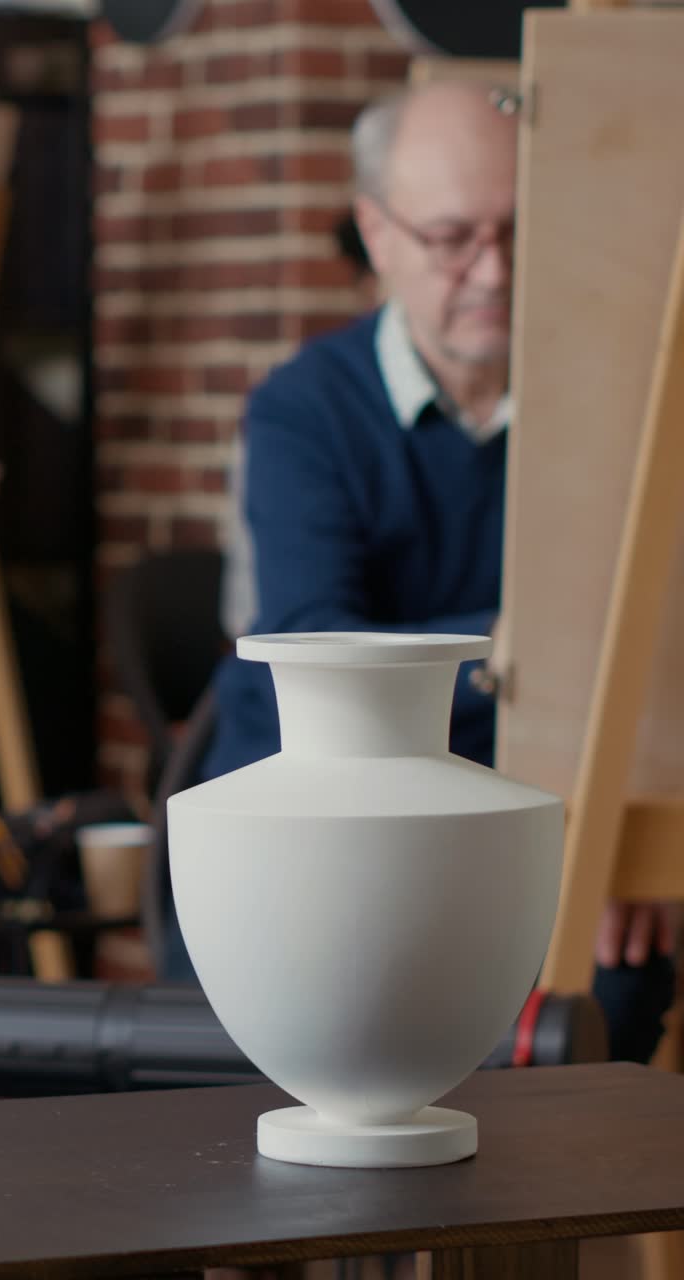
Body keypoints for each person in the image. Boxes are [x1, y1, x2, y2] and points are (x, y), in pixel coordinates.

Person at [163, 81, 676, 1064]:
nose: (496, 271)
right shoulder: (303, 409)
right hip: (315, 838)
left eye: (517, 231)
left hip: (532, 815)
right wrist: (534, 658)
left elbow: (647, 640)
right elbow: (325, 655)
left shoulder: (614, 409)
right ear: (378, 234)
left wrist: (628, 813)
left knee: (609, 989)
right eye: (452, 238)